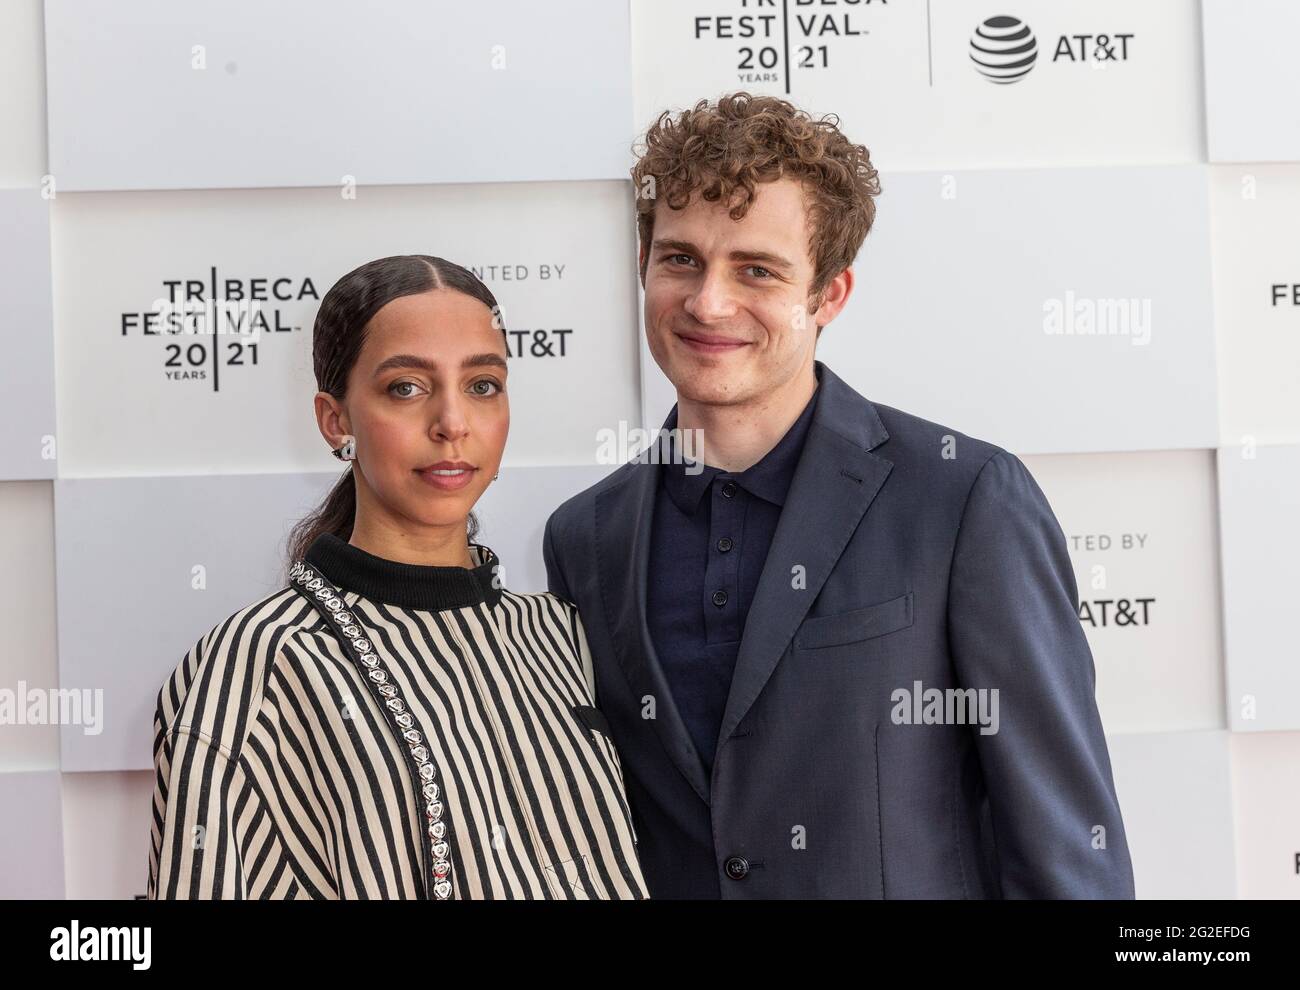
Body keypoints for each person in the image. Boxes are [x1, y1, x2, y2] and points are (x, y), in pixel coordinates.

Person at [544, 92, 1135, 898]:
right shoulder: (586, 538)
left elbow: (1069, 853)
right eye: (681, 258)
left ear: (829, 295)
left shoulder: (965, 500)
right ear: (643, 266)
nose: (709, 302)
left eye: (757, 269)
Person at [147, 255, 647, 900]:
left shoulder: (562, 633)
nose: (452, 424)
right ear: (336, 421)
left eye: (482, 385)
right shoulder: (255, 669)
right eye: (406, 387)